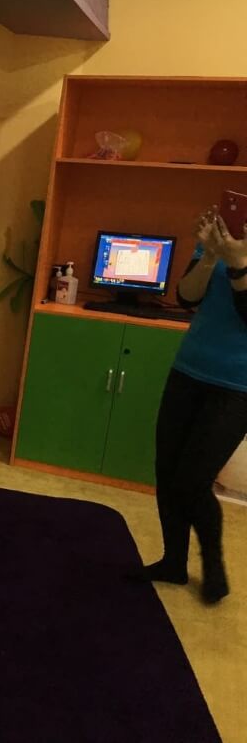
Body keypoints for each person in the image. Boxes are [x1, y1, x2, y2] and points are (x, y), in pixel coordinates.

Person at [136, 207, 247, 604]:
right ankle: (173, 562)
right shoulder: (222, 241)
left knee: (193, 480)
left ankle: (214, 566)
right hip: (188, 371)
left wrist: (237, 264)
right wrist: (213, 255)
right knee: (167, 472)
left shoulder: (238, 252)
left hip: (237, 386)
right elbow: (186, 297)